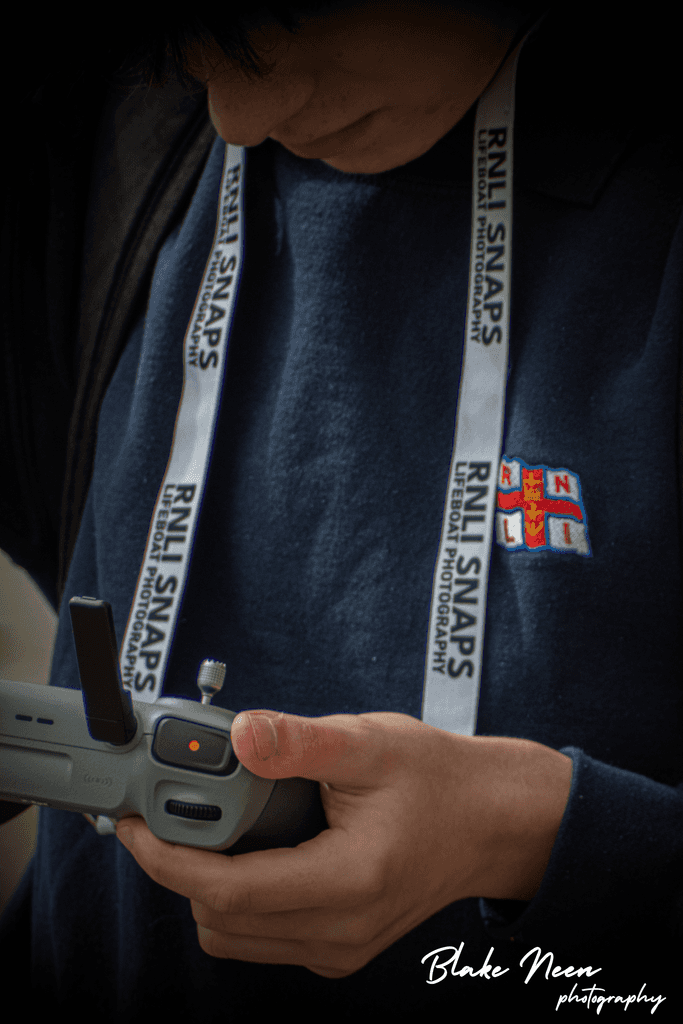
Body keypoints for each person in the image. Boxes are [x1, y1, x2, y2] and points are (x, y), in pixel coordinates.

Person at [0, 2, 681, 1018]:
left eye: (287, 25)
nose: (238, 111)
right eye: (186, 51)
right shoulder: (117, 144)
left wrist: (535, 833)